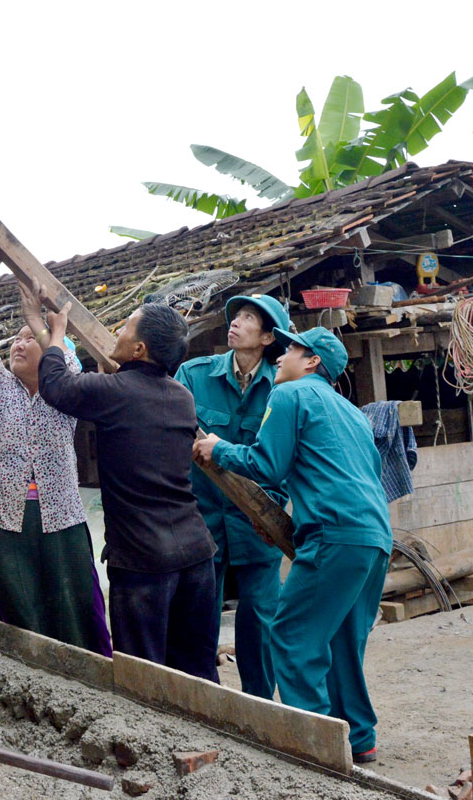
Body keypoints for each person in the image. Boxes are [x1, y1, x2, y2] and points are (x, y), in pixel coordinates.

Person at [194, 327, 391, 764]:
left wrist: (218, 447)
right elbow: (336, 474)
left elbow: (265, 464)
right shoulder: (353, 413)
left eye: (292, 350)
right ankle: (359, 738)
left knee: (291, 634)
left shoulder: (289, 397)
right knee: (341, 639)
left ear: (312, 363)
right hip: (375, 537)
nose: (280, 357)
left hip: (333, 533)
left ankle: (312, 745)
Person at [34, 290, 219, 680]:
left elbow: (55, 386)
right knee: (199, 672)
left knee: (144, 675)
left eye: (126, 326)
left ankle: (159, 743)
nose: (116, 331)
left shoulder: (114, 393)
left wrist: (57, 334)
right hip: (197, 553)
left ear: (138, 348)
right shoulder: (182, 396)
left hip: (143, 560)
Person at [0, 229, 109, 655]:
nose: (18, 345)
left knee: (73, 605)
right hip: (3, 519)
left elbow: (62, 359)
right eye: (14, 342)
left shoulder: (63, 389)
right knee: (20, 609)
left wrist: (38, 323)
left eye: (26, 340)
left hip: (60, 516)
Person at [174, 295, 290, 698]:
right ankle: (208, 696)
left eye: (247, 318)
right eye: (235, 316)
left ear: (268, 337)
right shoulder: (193, 374)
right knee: (199, 611)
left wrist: (271, 507)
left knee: (260, 615)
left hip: (257, 519)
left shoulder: (282, 385)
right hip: (202, 516)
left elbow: (286, 454)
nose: (235, 323)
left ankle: (260, 701)